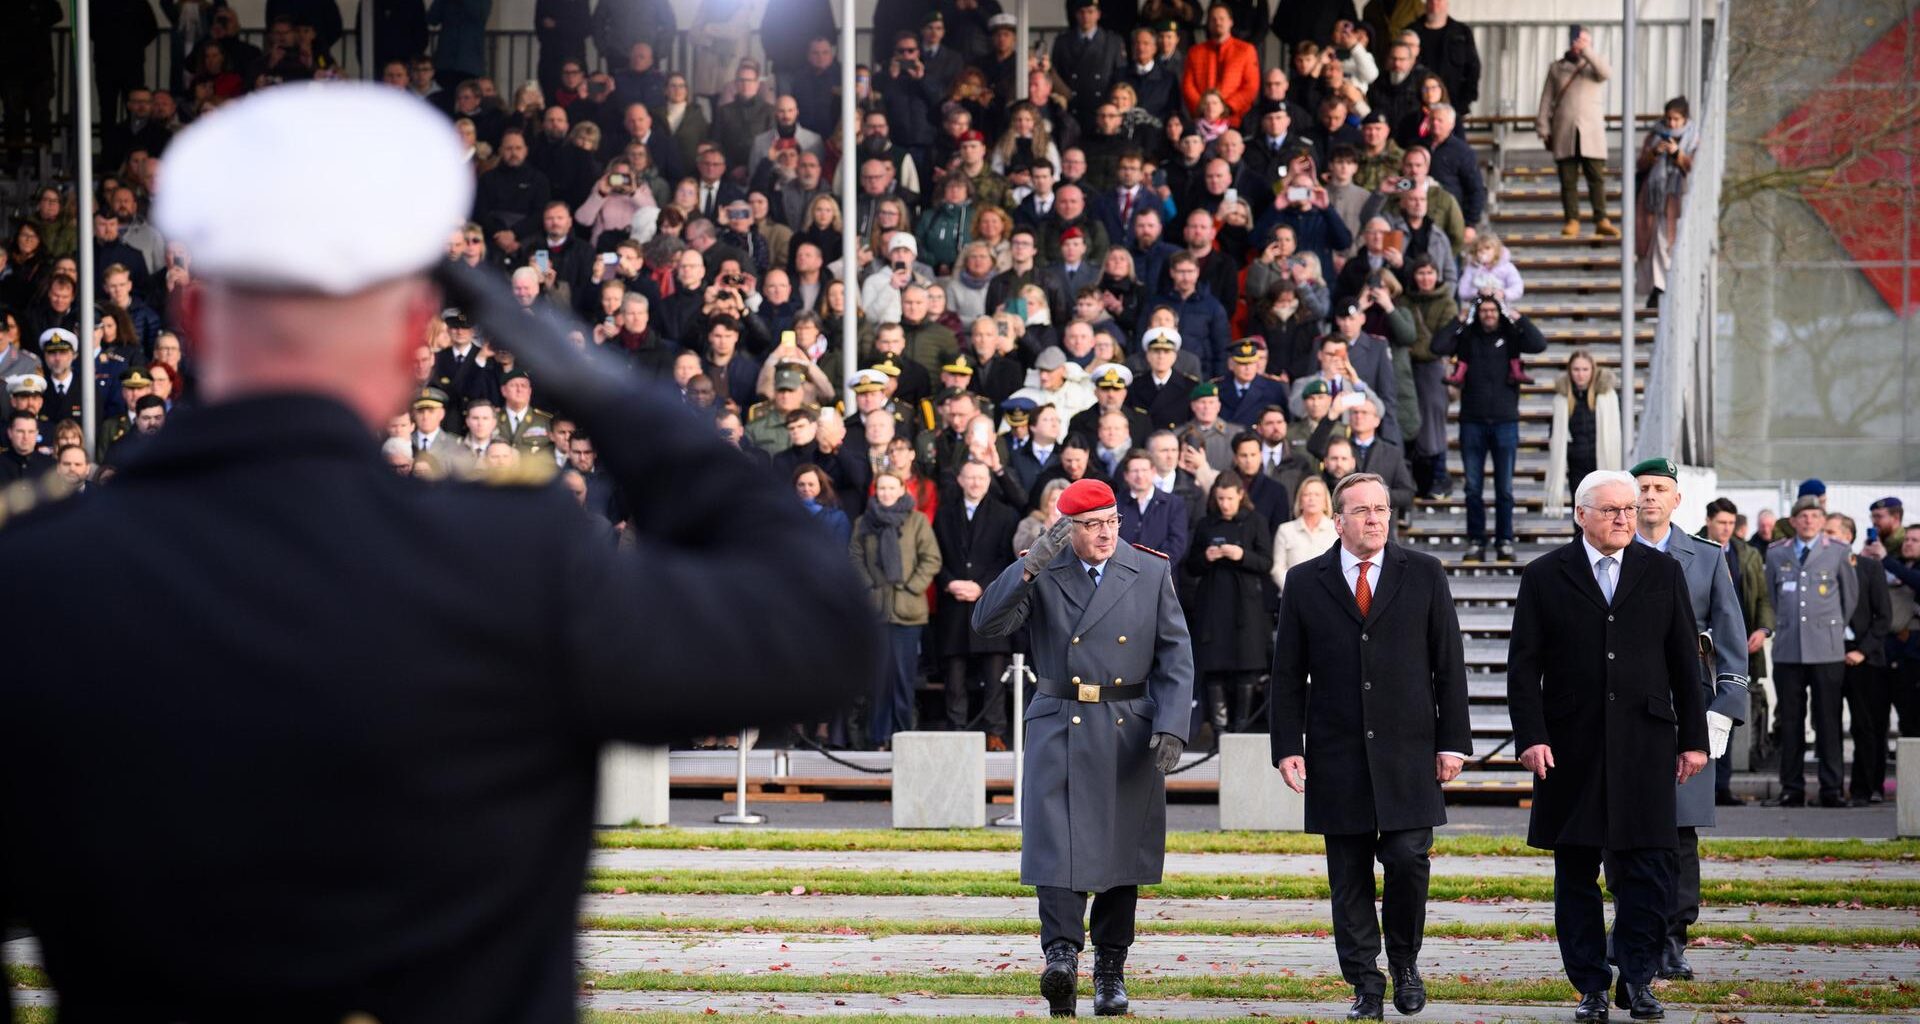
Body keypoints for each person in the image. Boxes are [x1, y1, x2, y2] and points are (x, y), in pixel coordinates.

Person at [0, 84, 878, 1019]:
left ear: (192, 318)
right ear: (415, 334)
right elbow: (822, 627)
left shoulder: (40, 581)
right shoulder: (511, 564)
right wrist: (612, 394)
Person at [972, 478, 1195, 1019]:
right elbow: (987, 623)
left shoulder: (1149, 570)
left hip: (1128, 726)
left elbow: (1175, 654)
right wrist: (1028, 567)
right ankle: (1062, 957)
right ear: (1066, 528)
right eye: (1092, 525)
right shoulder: (1045, 568)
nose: (1105, 533)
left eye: (1112, 521)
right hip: (1060, 721)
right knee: (1057, 849)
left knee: (1123, 855)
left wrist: (1171, 725)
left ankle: (1110, 971)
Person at [1507, 470, 1710, 1024]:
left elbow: (1684, 666)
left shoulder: (1662, 572)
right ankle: (1591, 986)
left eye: (1629, 508)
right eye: (1612, 510)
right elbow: (1524, 668)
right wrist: (1531, 737)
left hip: (1645, 745)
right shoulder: (1546, 575)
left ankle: (1639, 980)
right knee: (1575, 872)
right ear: (1580, 515)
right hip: (1571, 749)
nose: (1626, 516)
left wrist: (1693, 738)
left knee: (1648, 870)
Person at [1272, 471, 1468, 1021]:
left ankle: (1404, 960)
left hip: (1410, 749)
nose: (1375, 519)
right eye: (1362, 511)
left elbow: (1448, 663)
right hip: (1336, 752)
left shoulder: (1424, 573)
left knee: (1409, 857)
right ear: (1338, 521)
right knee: (1348, 873)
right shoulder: (1306, 581)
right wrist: (1288, 745)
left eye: (1381, 509)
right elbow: (1287, 672)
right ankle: (1365, 982)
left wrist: (1453, 741)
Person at [1627, 457, 1750, 981]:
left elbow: (1730, 634)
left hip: (1687, 706)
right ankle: (1632, 930)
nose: (1651, 497)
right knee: (1625, 824)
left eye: (1660, 489)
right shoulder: (1611, 552)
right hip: (1626, 703)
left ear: (1677, 500)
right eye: (1643, 488)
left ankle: (1674, 937)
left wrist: (1724, 708)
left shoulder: (1704, 556)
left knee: (1679, 829)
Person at [1429, 296, 1547, 562]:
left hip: (1505, 421)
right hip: (1472, 421)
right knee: (1473, 488)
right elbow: (1437, 346)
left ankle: (1504, 540)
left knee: (1504, 488)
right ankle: (1476, 541)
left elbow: (1539, 344)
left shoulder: (1511, 334)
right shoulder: (1467, 335)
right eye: (1484, 310)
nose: (1489, 314)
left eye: (1493, 310)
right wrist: (1458, 320)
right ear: (1477, 312)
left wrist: (1518, 317)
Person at [1764, 495, 1859, 807]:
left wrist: (1828, 629)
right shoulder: (1777, 553)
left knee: (1828, 721)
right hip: (1788, 650)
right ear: (1793, 522)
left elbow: (1849, 599)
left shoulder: (1839, 552)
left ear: (1822, 520)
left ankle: (1831, 788)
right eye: (1802, 516)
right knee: (1791, 722)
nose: (1809, 521)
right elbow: (1773, 596)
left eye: (1815, 516)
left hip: (1826, 651)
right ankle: (1792, 788)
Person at [851, 469, 942, 750]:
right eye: (882, 488)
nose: (886, 493)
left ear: (902, 490)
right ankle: (878, 737)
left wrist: (912, 586)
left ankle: (903, 736)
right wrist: (870, 587)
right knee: (879, 678)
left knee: (903, 678)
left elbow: (931, 558)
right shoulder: (864, 523)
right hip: (877, 612)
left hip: (908, 612)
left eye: (892, 488)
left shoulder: (916, 521)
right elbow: (854, 557)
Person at [933, 460, 1022, 748]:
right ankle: (956, 728)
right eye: (969, 477)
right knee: (954, 675)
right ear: (959, 479)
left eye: (980, 478)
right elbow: (937, 556)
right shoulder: (944, 514)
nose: (975, 483)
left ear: (988, 480)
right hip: (954, 602)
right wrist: (949, 583)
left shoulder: (1005, 514)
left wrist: (982, 586)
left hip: (990, 603)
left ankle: (995, 732)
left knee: (994, 674)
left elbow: (1007, 560)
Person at [1185, 473, 1274, 737]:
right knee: (1214, 670)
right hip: (1212, 604)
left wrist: (1242, 555)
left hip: (1245, 606)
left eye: (1230, 499)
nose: (1225, 504)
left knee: (1246, 670)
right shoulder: (1206, 524)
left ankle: (1241, 728)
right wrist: (1206, 557)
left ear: (1240, 496)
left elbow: (1266, 563)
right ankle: (1220, 732)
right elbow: (1191, 566)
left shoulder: (1255, 521)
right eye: (1220, 499)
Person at [1826, 513, 1892, 805]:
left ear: (1849, 537)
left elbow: (1884, 617)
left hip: (1864, 657)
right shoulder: (1819, 568)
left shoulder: (1869, 568)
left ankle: (1866, 788)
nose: (1827, 538)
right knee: (1827, 725)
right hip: (1828, 655)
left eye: (1833, 532)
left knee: (1865, 725)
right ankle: (1833, 788)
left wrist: (1861, 651)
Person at [1535, 26, 1619, 239]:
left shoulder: (1593, 65)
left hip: (1591, 131)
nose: (1580, 43)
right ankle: (1572, 219)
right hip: (1565, 130)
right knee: (1567, 179)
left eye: (1585, 40)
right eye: (1578, 39)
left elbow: (1606, 73)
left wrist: (1588, 52)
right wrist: (1543, 127)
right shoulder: (1557, 68)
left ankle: (1601, 218)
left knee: (1596, 177)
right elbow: (1546, 99)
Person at [1634, 97, 1698, 305]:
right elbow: (1641, 163)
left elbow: (1693, 167)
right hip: (1652, 199)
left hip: (1675, 198)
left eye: (1676, 119)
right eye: (1668, 119)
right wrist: (1655, 152)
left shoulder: (1693, 138)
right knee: (1649, 244)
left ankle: (1661, 288)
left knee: (1665, 243)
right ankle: (1655, 287)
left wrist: (1677, 154)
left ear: (1684, 119)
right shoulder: (1655, 136)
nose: (1671, 124)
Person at [1543, 351, 1622, 518]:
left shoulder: (1607, 396)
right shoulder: (1561, 399)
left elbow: (1614, 431)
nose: (1580, 374)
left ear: (1593, 370)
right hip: (1577, 466)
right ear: (1570, 371)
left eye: (1585, 369)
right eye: (1576, 369)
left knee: (1605, 510)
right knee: (1580, 513)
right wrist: (1571, 452)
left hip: (1603, 465)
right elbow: (1555, 432)